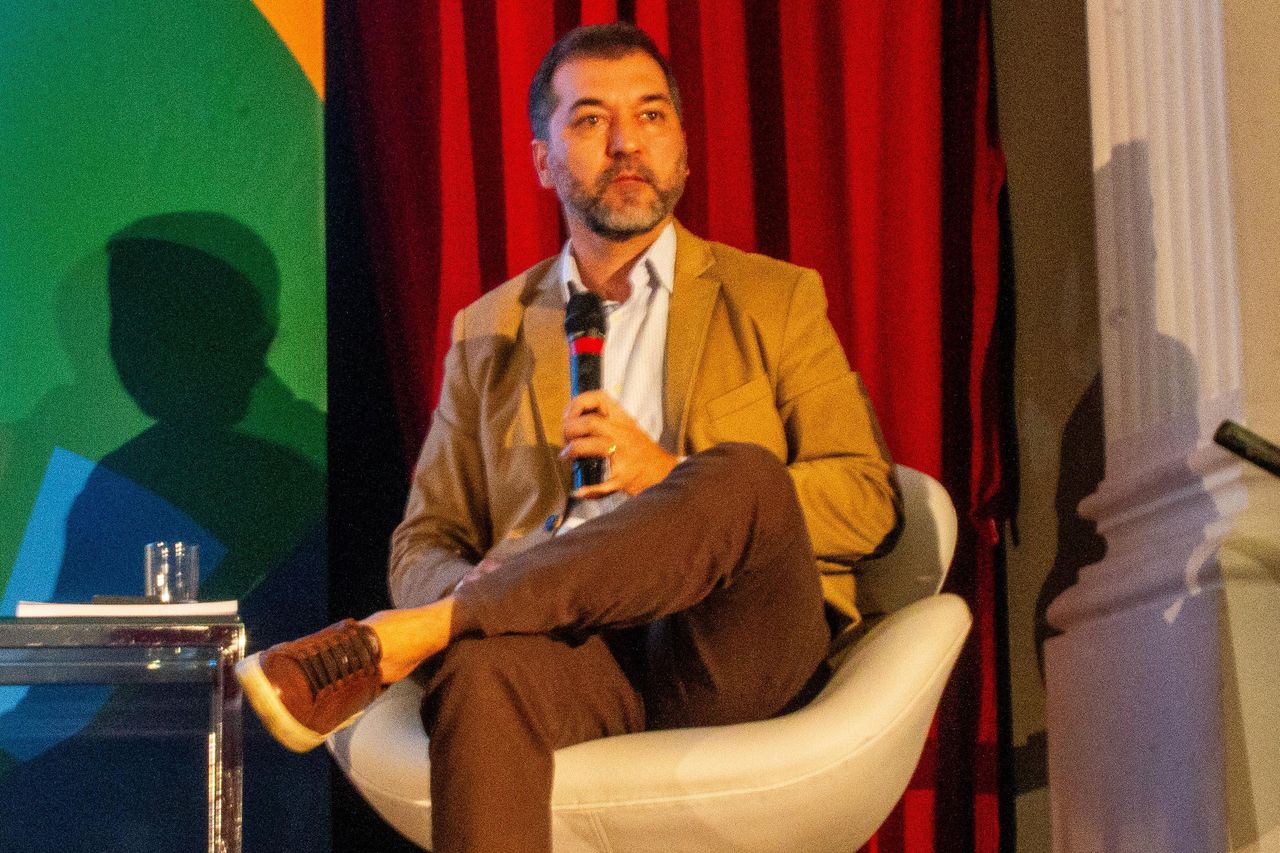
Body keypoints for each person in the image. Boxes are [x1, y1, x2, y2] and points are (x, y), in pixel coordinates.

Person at [237, 22, 899, 852]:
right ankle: (463, 623)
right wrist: (468, 577)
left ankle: (427, 630)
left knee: (744, 477)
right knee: (481, 672)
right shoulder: (490, 331)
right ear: (543, 161)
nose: (626, 143)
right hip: (574, 655)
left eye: (651, 116)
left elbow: (868, 498)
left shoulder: (775, 299)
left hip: (730, 646)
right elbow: (422, 540)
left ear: (684, 148)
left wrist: (667, 473)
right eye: (590, 120)